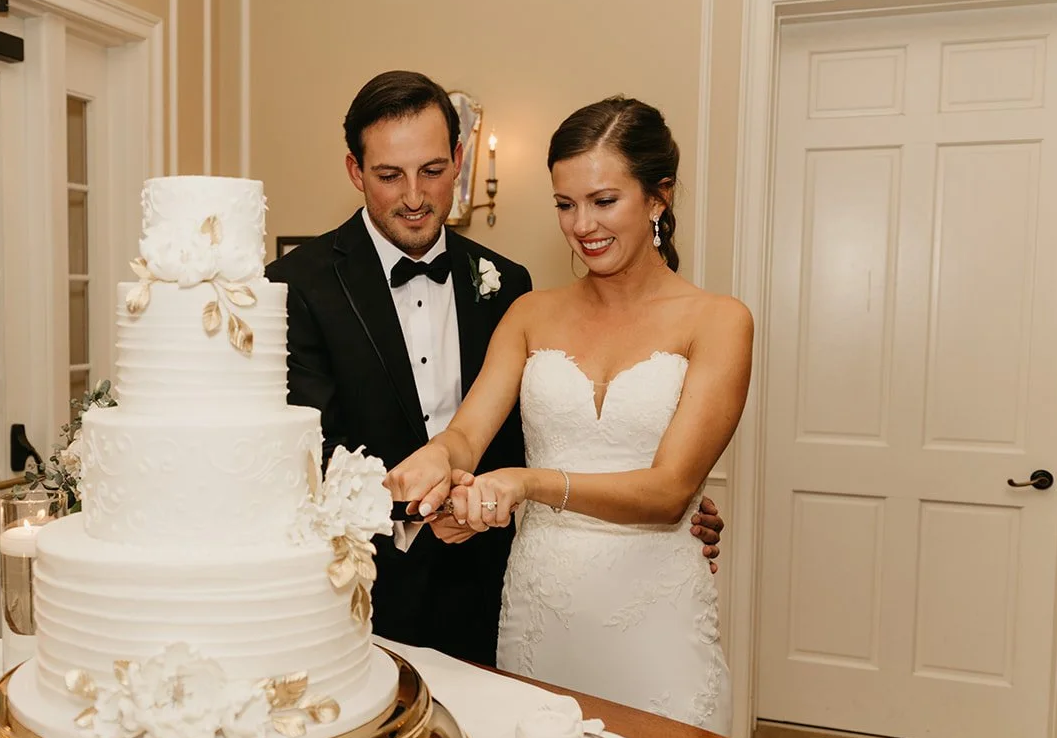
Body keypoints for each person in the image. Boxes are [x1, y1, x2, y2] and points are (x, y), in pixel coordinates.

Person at [267, 72, 723, 667]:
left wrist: (677, 501)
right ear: (356, 172)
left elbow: (535, 437)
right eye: (389, 175)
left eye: (432, 170)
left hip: (495, 574)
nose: (414, 195)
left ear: (458, 161)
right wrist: (428, 502)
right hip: (365, 582)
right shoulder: (294, 285)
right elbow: (300, 453)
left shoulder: (507, 283)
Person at [385, 95, 750, 734]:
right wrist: (436, 463)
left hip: (656, 608)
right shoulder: (529, 313)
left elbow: (669, 493)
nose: (582, 225)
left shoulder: (718, 322)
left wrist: (527, 483)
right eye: (564, 204)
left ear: (658, 198)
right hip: (541, 602)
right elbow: (468, 434)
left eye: (604, 201)